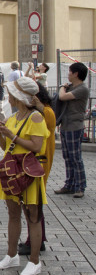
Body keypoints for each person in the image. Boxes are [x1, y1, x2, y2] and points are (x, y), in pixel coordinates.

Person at [0, 76, 48, 275]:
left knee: (32, 217)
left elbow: (36, 146)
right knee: (13, 214)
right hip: (12, 170)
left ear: (19, 96)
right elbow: (5, 147)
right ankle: (12, 254)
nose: (8, 97)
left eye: (11, 94)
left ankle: (35, 261)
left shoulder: (35, 117)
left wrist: (11, 135)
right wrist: (1, 133)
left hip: (28, 171)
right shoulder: (13, 118)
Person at [19, 82, 56, 256]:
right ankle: (37, 240)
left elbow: (50, 121)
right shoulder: (33, 112)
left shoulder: (45, 111)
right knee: (30, 203)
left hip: (38, 163)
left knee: (33, 203)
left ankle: (34, 241)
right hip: (32, 162)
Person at [55, 62, 90, 198]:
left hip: (75, 127)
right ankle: (69, 185)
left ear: (76, 74)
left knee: (75, 158)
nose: (68, 74)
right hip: (65, 125)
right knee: (67, 157)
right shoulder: (71, 87)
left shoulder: (82, 89)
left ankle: (80, 186)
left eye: (70, 72)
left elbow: (62, 96)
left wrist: (62, 87)